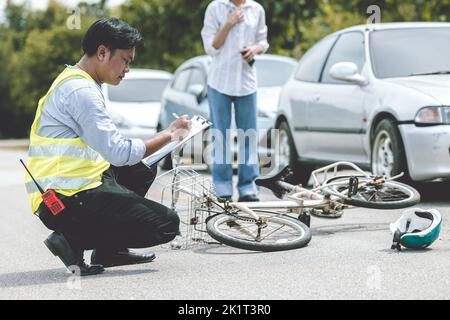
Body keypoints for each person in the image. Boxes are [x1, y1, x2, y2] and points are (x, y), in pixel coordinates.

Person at [24, 18, 191, 276]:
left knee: (141, 170)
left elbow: (115, 151)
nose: (127, 69)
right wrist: (170, 134)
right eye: (125, 60)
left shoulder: (78, 80)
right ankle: (71, 238)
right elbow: (118, 152)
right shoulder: (81, 91)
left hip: (73, 186)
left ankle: (111, 251)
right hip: (63, 199)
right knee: (167, 225)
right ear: (102, 52)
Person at [201, 0, 269, 202]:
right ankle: (222, 188)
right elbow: (211, 47)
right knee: (220, 136)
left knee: (249, 136)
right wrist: (229, 23)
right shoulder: (215, 8)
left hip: (247, 82)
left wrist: (254, 50)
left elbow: (263, 41)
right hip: (219, 82)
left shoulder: (256, 9)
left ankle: (248, 187)